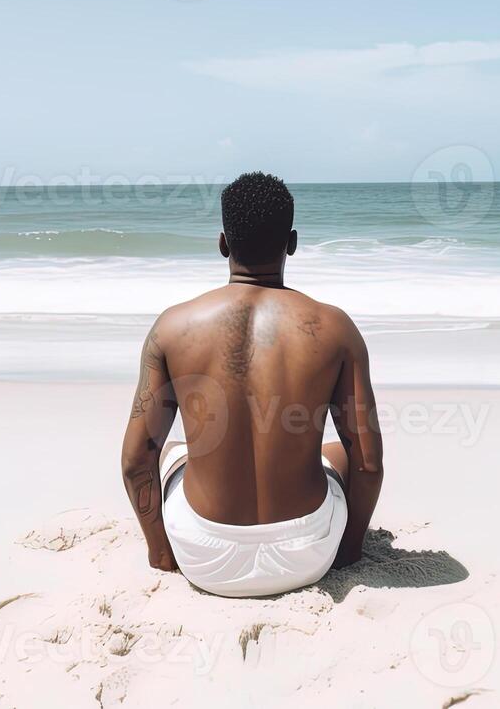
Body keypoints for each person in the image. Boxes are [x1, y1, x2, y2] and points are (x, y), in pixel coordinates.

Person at [119, 171, 384, 597]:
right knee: (340, 453)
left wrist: (162, 554)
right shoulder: (334, 328)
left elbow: (135, 462)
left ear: (223, 243)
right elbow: (369, 462)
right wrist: (348, 550)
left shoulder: (172, 326)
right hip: (308, 556)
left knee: (170, 451)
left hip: (204, 559)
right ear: (292, 243)